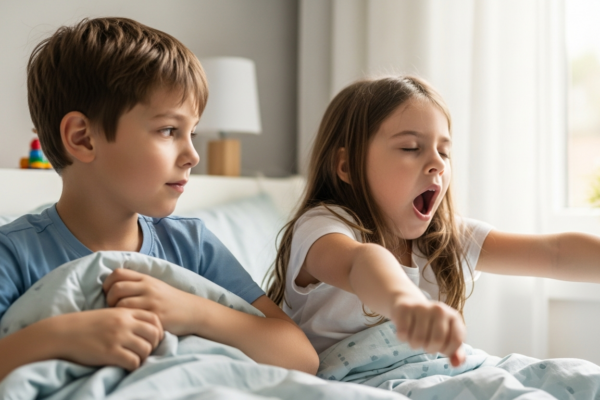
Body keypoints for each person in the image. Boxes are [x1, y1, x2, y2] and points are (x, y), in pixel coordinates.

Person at [0, 17, 318, 382]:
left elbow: (300, 356)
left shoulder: (192, 247)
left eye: (192, 133)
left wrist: (193, 311)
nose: (193, 155)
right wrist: (63, 337)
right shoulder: (13, 254)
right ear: (83, 138)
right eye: (169, 130)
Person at [266, 75, 600, 368]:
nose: (437, 164)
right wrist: (406, 304)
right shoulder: (323, 225)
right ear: (347, 167)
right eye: (411, 147)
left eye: (444, 151)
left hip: (446, 372)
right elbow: (361, 262)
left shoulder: (442, 239)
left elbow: (554, 253)